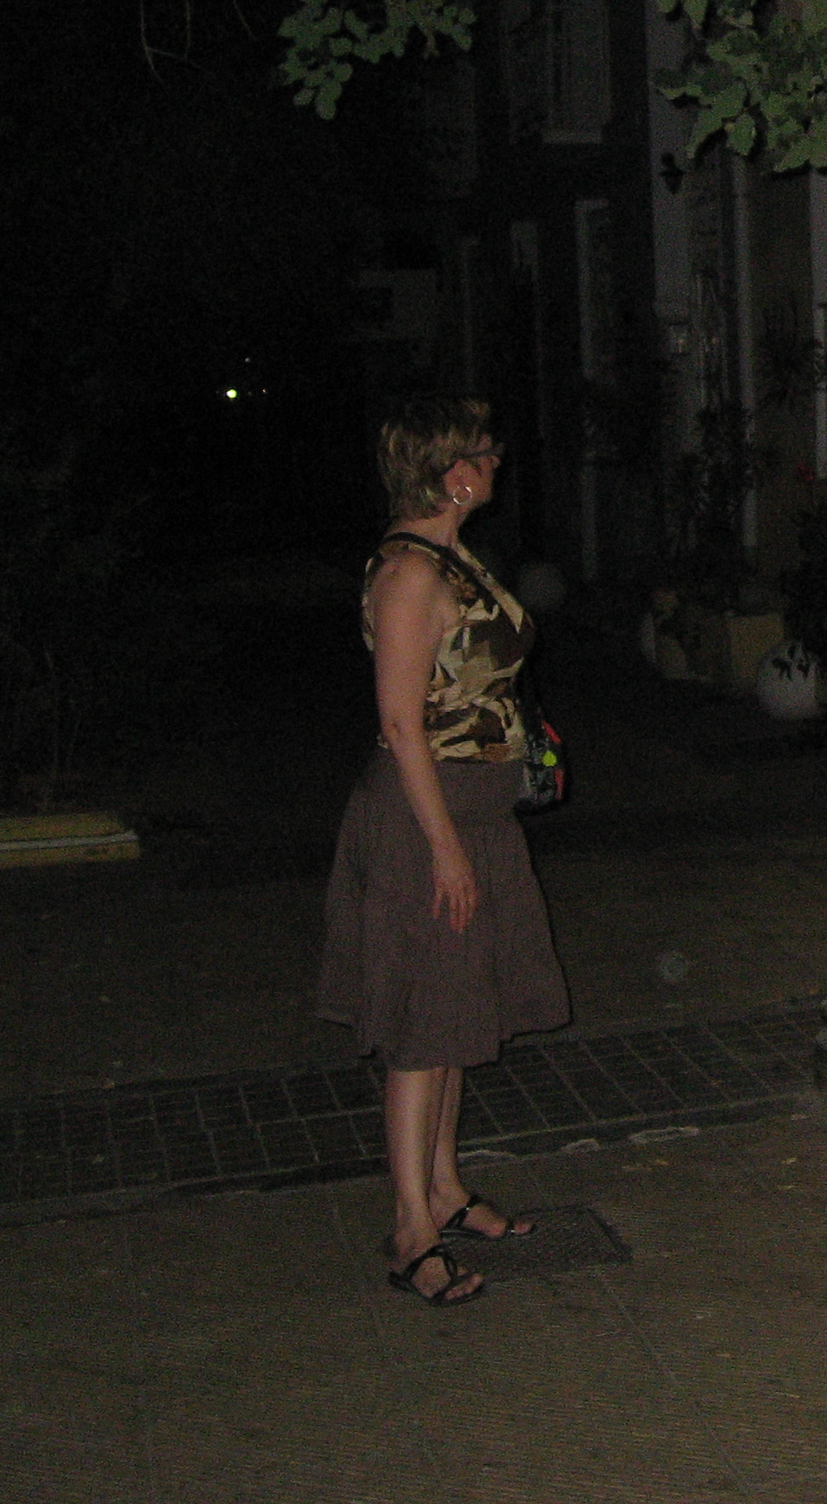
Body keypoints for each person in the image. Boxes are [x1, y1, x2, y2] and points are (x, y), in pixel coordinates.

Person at [317, 395, 569, 1305]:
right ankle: (410, 1230)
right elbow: (399, 723)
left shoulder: (452, 556)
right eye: (485, 454)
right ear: (453, 472)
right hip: (427, 818)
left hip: (475, 809)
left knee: (458, 1006)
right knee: (423, 1027)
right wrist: (445, 850)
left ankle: (446, 1189)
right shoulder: (410, 574)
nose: (497, 464)